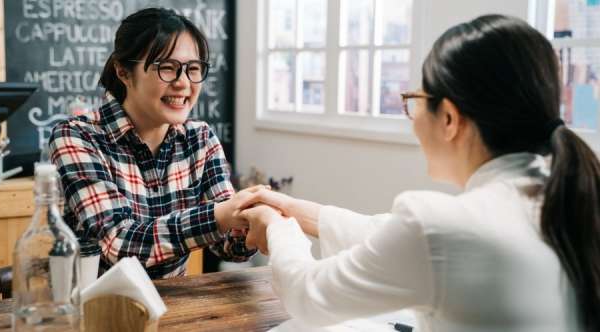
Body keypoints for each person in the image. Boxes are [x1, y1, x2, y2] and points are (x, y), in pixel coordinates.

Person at [240, 15, 599, 332]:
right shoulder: (568, 195)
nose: (413, 118)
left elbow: (308, 295)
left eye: (416, 100)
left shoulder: (440, 226)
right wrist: (295, 210)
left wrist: (277, 227)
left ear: (448, 119)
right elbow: (391, 235)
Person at [49, 8, 257, 279]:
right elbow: (120, 244)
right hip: (94, 310)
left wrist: (251, 221)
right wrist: (221, 215)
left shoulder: (200, 139)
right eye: (167, 68)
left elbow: (229, 246)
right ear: (123, 71)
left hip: (174, 310)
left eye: (193, 69)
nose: (183, 83)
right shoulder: (77, 137)